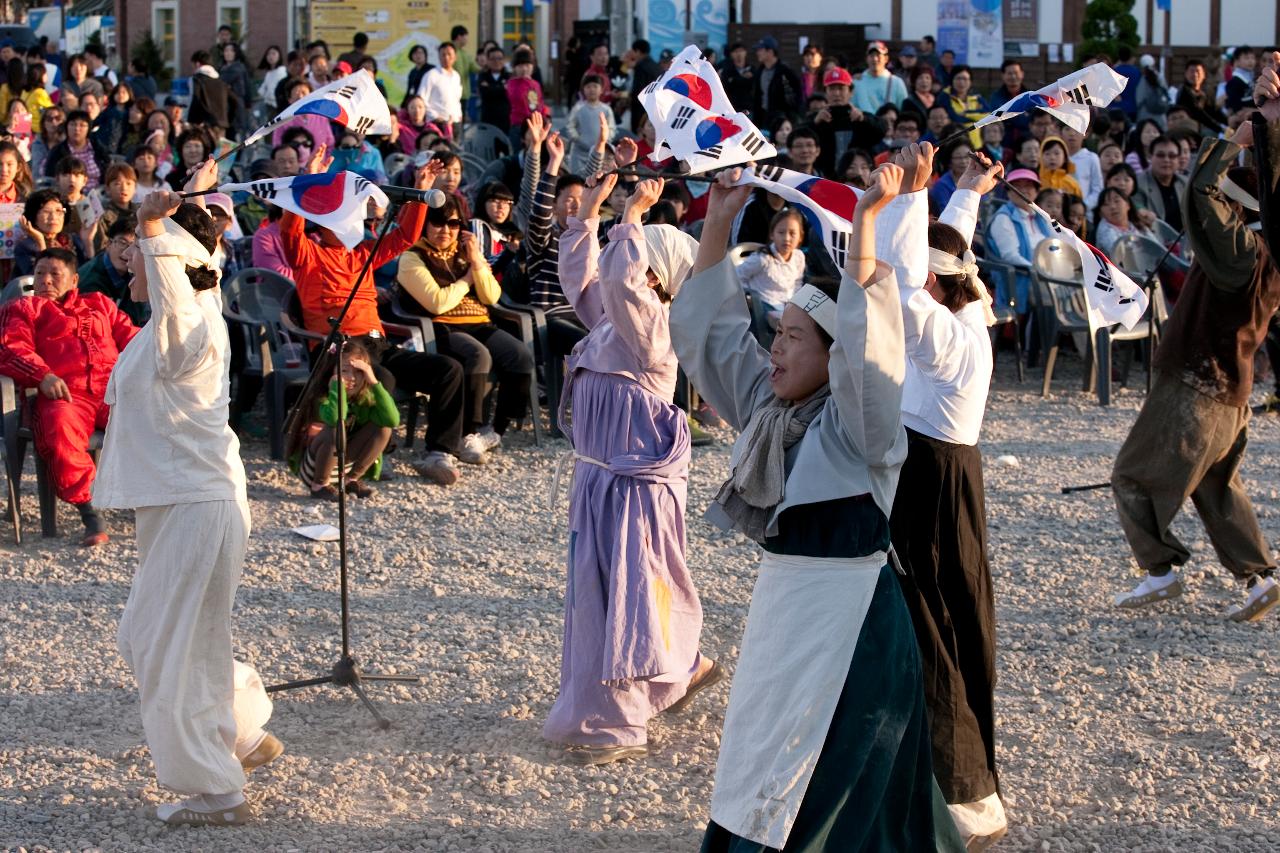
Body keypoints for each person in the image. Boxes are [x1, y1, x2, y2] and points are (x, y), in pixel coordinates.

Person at [670, 160, 965, 852]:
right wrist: (719, 216)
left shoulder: (861, 426)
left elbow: (872, 352)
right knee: (762, 761)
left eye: (793, 336)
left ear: (834, 357)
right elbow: (711, 338)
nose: (775, 346)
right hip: (785, 618)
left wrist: (865, 225)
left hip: (854, 624)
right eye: (778, 331)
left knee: (840, 787)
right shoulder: (771, 410)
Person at [96, 167, 280, 826]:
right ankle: (240, 732)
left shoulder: (188, 321)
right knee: (176, 636)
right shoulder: (190, 319)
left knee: (162, 642)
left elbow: (173, 286)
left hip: (196, 502)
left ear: (174, 255)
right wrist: (174, 201)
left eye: (144, 253)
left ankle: (216, 788)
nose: (132, 264)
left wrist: (152, 227)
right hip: (187, 501)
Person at [544, 171, 718, 765]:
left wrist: (635, 214)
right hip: (602, 482)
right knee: (603, 593)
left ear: (655, 279)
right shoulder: (611, 327)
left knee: (632, 595)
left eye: (640, 262)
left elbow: (616, 281)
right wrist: (591, 212)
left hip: (632, 489)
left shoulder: (650, 332)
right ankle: (681, 669)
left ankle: (616, 722)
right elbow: (584, 278)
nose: (628, 269)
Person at [1110, 67, 1280, 622]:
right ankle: (1258, 580)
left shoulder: (1240, 252)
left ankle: (1159, 570)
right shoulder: (1268, 255)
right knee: (1214, 483)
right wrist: (1267, 117)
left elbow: (1201, 191)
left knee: (1132, 476)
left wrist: (1235, 141)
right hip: (1233, 388)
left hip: (1198, 381)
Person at [879, 145, 1009, 849]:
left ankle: (966, 794)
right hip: (944, 480)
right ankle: (962, 781)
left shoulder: (950, 338)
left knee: (935, 630)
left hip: (933, 482)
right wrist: (962, 191)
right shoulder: (967, 315)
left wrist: (907, 197)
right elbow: (939, 257)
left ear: (935, 281)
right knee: (953, 623)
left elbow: (901, 289)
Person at [281, 148, 471, 484]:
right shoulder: (307, 252)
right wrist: (308, 178)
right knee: (381, 378)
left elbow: (406, 236)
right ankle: (365, 457)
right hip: (335, 350)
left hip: (377, 343)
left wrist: (419, 191)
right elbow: (290, 231)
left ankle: (439, 452)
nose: (356, 223)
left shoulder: (363, 253)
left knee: (449, 370)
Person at [0, 247, 137, 547]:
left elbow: (134, 338)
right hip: (65, 395)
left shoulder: (99, 304)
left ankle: (164, 502)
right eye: (39, 274)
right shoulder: (23, 309)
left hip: (113, 391)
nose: (45, 281)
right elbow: (11, 348)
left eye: (55, 275)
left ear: (74, 280)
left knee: (161, 415)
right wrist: (42, 376)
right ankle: (91, 514)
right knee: (59, 427)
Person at [396, 195, 534, 455]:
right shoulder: (412, 257)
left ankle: (495, 430)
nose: (445, 230)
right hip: (442, 327)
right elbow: (437, 303)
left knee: (520, 355)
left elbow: (491, 296)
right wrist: (467, 280)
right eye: (437, 223)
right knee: (478, 355)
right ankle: (469, 431)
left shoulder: (466, 253)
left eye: (453, 223)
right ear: (425, 224)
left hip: (479, 322)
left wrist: (476, 262)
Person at [293, 337, 396, 500]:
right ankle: (319, 486)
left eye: (359, 372)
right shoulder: (322, 397)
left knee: (383, 428)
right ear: (331, 373)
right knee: (336, 428)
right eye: (345, 371)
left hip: (342, 466)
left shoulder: (365, 397)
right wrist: (337, 388)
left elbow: (392, 420)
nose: (352, 377)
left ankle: (351, 480)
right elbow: (335, 418)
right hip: (314, 468)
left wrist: (374, 381)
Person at [734, 207, 806, 342]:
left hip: (787, 305)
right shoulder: (763, 259)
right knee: (782, 322)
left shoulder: (799, 257)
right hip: (763, 305)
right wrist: (748, 296)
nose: (787, 238)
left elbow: (797, 282)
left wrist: (795, 303)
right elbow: (736, 276)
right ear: (772, 234)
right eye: (781, 232)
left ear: (800, 236)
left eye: (792, 233)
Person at [985, 168, 1053, 310]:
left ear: (1036, 191)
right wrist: (1039, 272)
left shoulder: (1040, 217)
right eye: (1016, 186)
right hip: (1025, 277)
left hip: (1049, 274)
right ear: (1008, 191)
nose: (1022, 190)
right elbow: (1010, 256)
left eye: (1028, 185)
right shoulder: (1003, 218)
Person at [808, 66, 885, 179]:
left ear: (851, 92)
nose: (836, 93)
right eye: (832, 89)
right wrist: (814, 123)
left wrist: (864, 120)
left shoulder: (861, 117)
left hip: (859, 180)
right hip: (826, 179)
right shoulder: (817, 119)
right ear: (825, 92)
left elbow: (882, 130)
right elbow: (800, 135)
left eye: (841, 88)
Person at [78, 216, 147, 325]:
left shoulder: (134, 271)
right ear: (108, 244)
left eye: (134, 245)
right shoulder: (91, 282)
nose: (127, 251)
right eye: (122, 242)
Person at [1134, 135, 1188, 232]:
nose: (1166, 160)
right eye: (1160, 155)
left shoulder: (1186, 183)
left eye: (1172, 156)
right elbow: (1137, 205)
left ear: (1178, 159)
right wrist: (1141, 211)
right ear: (1150, 157)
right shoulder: (1138, 183)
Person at [751, 36, 802, 129]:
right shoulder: (759, 71)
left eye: (760, 49)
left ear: (770, 51)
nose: (757, 53)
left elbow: (798, 94)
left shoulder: (785, 71)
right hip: (763, 119)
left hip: (782, 120)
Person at [567, 77, 614, 176]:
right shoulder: (578, 108)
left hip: (599, 154)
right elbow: (570, 127)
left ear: (601, 90)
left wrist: (603, 142)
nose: (591, 89)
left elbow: (611, 129)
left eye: (595, 86)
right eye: (588, 87)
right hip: (579, 153)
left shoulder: (606, 109)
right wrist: (578, 139)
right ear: (583, 90)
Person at [186, 51, 237, 138]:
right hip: (221, 126)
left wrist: (191, 122)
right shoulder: (221, 82)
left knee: (205, 150)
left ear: (197, 64)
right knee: (220, 151)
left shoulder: (196, 80)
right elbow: (234, 101)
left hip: (203, 125)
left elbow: (195, 99)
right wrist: (227, 119)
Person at [418, 42, 463, 138]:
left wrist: (459, 115)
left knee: (455, 152)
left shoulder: (456, 76)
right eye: (443, 54)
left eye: (449, 54)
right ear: (438, 57)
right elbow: (421, 99)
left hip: (455, 123)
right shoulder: (431, 75)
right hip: (437, 123)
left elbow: (457, 100)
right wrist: (435, 116)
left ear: (455, 57)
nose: (446, 57)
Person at [854, 41, 908, 114]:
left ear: (886, 59)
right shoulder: (857, 82)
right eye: (871, 56)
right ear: (866, 59)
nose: (875, 59)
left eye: (878, 55)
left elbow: (903, 110)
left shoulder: (896, 82)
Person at [1177, 58, 1227, 133]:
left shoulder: (1202, 93)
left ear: (1203, 74)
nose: (1195, 74)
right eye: (1191, 71)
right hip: (1186, 129)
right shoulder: (1185, 91)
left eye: (1197, 71)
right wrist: (1219, 128)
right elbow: (1198, 113)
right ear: (1185, 74)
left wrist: (1228, 122)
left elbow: (1213, 110)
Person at [628, 39, 663, 132]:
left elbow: (638, 91)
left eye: (633, 52)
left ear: (638, 51)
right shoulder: (656, 66)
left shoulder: (640, 67)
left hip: (642, 112)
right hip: (657, 110)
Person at [477, 45, 511, 131]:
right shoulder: (482, 76)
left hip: (505, 120)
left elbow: (509, 93)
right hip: (487, 119)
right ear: (487, 61)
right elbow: (485, 93)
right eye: (493, 59)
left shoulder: (509, 77)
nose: (496, 61)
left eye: (499, 58)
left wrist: (491, 87)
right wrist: (502, 88)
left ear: (504, 60)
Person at [720, 43, 755, 114]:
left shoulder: (752, 69)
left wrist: (734, 80)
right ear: (731, 54)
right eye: (736, 51)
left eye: (741, 51)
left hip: (748, 108)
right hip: (732, 109)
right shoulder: (727, 70)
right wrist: (742, 78)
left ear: (745, 53)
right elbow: (726, 86)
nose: (739, 54)